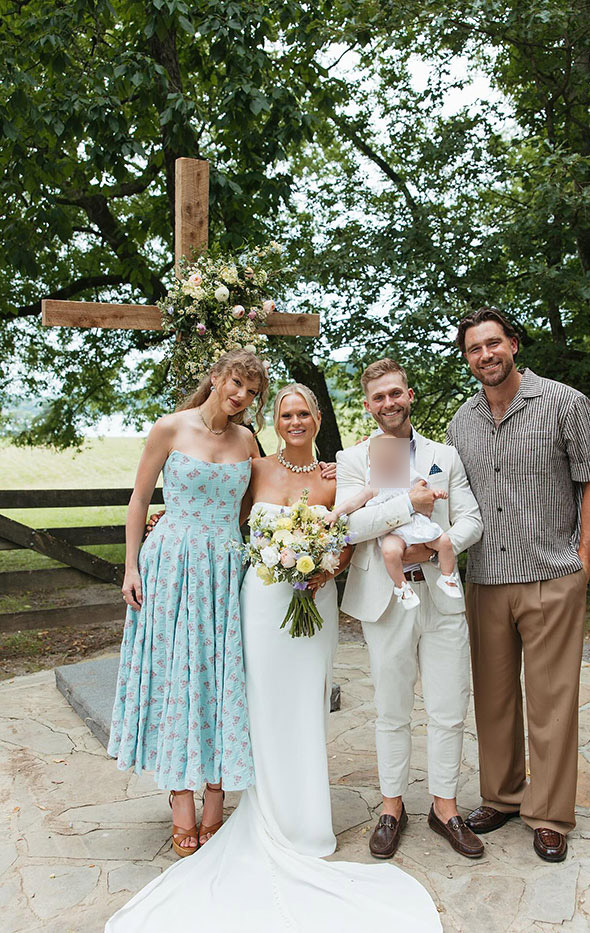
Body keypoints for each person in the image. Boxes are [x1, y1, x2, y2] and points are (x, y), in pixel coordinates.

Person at [106, 382, 443, 932]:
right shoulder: (255, 466)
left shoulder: (335, 476)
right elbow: (225, 517)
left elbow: (350, 534)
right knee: (255, 704)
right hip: (259, 604)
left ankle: (305, 822)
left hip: (314, 604)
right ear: (276, 418)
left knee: (307, 708)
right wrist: (163, 540)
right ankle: (237, 807)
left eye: (303, 412)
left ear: (316, 418)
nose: (294, 421)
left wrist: (323, 568)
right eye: (285, 412)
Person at [446, 307, 590, 863]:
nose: (486, 356)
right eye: (474, 349)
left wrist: (583, 562)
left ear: (514, 344)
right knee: (493, 699)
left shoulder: (565, 403)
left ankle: (549, 814)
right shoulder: (461, 422)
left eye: (494, 344)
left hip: (551, 574)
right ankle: (503, 796)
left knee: (551, 700)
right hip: (487, 576)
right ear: (467, 358)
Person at [108, 349, 268, 858]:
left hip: (225, 570)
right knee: (177, 677)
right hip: (172, 565)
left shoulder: (247, 440)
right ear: (216, 376)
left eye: (251, 390)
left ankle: (216, 801)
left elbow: (261, 500)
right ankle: (181, 803)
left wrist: (320, 475)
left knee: (222, 679)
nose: (241, 395)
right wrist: (131, 566)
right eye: (236, 382)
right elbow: (138, 499)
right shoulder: (170, 429)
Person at [335, 358, 484, 861]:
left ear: (410, 394)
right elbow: (350, 528)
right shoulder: (353, 459)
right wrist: (409, 509)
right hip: (386, 597)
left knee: (448, 706)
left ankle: (445, 808)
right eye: (378, 397)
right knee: (391, 709)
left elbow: (472, 519)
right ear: (367, 405)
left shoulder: (445, 455)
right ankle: (391, 807)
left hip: (440, 595)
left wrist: (442, 541)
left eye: (395, 393)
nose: (389, 403)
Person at [329, 434, 462, 609]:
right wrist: (336, 513)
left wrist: (436, 493)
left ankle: (447, 577)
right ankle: (402, 587)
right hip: (394, 532)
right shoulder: (374, 487)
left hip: (416, 525)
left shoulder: (409, 480)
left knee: (444, 541)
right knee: (390, 551)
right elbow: (353, 503)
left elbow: (424, 489)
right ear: (372, 464)